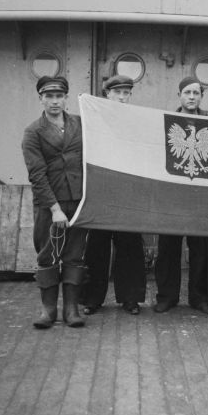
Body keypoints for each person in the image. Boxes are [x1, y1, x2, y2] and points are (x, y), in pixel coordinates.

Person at [22, 76, 88, 329]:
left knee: (74, 255)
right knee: (47, 255)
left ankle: (71, 310)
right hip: (50, 204)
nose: (54, 101)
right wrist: (55, 209)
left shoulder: (80, 124)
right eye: (49, 96)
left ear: (65, 98)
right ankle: (48, 310)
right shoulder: (33, 131)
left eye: (59, 96)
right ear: (41, 98)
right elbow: (36, 174)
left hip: (78, 201)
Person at [81, 75, 147, 316]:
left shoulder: (136, 123)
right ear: (107, 94)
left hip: (128, 194)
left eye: (126, 93)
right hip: (102, 193)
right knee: (97, 247)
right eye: (117, 92)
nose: (121, 97)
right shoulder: (94, 120)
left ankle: (131, 299)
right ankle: (91, 299)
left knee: (130, 247)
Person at [154, 76, 208, 315]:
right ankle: (167, 296)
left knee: (201, 250)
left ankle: (198, 297)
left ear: (201, 97)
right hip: (172, 196)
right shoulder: (167, 123)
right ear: (180, 95)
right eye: (187, 92)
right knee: (168, 249)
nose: (191, 97)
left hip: (200, 197)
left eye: (196, 93)